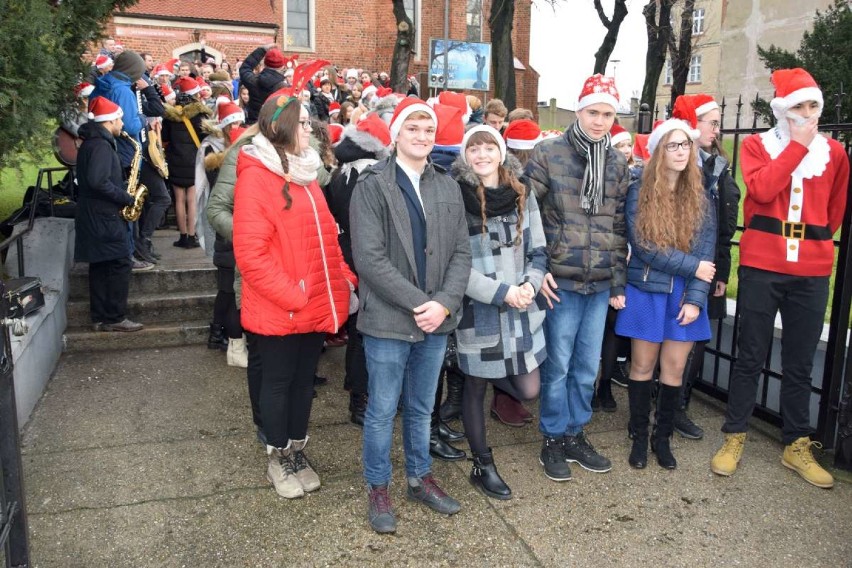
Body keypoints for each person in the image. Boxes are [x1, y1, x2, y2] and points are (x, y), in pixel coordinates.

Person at [711, 68, 849, 489]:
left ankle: (796, 443)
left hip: (810, 270)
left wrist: (815, 245)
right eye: (797, 108)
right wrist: (797, 148)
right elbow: (763, 190)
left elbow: (836, 209)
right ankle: (735, 434)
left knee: (799, 360)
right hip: (762, 265)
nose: (806, 116)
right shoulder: (758, 146)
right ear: (781, 111)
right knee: (750, 354)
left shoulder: (836, 154)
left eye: (813, 107)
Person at [350, 98, 472, 534]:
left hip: (436, 318)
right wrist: (420, 303)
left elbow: (461, 250)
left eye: (428, 129)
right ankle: (378, 486)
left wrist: (443, 302)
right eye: (413, 128)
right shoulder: (373, 184)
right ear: (396, 133)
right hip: (390, 318)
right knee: (382, 409)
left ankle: (420, 478)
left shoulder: (447, 184)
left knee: (423, 408)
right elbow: (368, 257)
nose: (422, 137)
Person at [233, 92, 357, 500]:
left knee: (305, 383)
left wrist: (344, 281)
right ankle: (278, 458)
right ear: (281, 127)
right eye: (304, 123)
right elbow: (251, 254)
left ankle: (297, 451)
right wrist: (295, 294)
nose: (311, 129)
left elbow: (327, 240)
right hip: (282, 307)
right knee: (279, 382)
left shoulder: (306, 175)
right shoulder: (257, 175)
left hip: (313, 303)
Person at [523, 74, 629, 482]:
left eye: (608, 114)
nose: (600, 121)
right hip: (560, 278)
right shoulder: (549, 153)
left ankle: (575, 431)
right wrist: (538, 268)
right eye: (593, 112)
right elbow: (525, 214)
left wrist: (617, 282)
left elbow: (618, 227)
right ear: (579, 110)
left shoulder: (618, 163)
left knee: (588, 365)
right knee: (560, 363)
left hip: (600, 281)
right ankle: (552, 435)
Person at [451, 125, 547, 499]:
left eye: (488, 147)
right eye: (473, 149)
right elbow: (456, 264)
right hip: (480, 311)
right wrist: (501, 293)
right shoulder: (457, 198)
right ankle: (482, 464)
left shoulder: (522, 194)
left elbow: (539, 250)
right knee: (475, 385)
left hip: (521, 308)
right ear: (465, 155)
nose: (482, 155)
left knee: (528, 387)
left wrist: (529, 285)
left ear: (501, 151)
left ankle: (478, 374)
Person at [615, 119, 717, 470]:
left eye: (685, 145)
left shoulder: (701, 197)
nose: (680, 152)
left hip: (685, 296)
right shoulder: (639, 190)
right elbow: (644, 246)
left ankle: (663, 438)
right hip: (647, 290)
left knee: (674, 370)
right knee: (642, 366)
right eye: (672, 145)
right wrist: (694, 269)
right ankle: (640, 436)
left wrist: (695, 298)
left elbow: (707, 254)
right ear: (659, 151)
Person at [671, 93, 741, 440]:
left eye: (717, 122)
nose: (717, 128)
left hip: (710, 265)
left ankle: (679, 403)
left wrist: (722, 272)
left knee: (696, 339)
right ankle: (670, 401)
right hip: (681, 263)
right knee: (674, 337)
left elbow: (724, 228)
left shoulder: (716, 165)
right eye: (711, 122)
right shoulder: (683, 166)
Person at [325, 114, 393, 426]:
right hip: (369, 259)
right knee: (365, 333)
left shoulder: (341, 175)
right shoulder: (372, 178)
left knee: (359, 331)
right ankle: (361, 398)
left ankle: (360, 395)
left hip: (349, 255)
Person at [75, 97, 143, 333]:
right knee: (119, 263)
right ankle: (114, 317)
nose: (122, 124)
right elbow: (98, 181)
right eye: (120, 119)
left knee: (101, 266)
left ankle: (99, 317)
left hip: (93, 215)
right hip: (104, 216)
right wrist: (126, 197)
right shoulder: (101, 146)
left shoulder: (91, 143)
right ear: (111, 120)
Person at [195, 101, 247, 365]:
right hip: (227, 228)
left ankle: (219, 331)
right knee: (227, 290)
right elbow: (218, 195)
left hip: (234, 227)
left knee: (227, 290)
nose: (239, 127)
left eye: (240, 123)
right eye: (234, 124)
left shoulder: (237, 149)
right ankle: (219, 333)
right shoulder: (213, 152)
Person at [163, 76, 211, 248]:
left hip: (175, 159)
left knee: (178, 199)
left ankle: (182, 236)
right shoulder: (200, 114)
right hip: (194, 160)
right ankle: (192, 236)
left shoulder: (170, 115)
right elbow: (206, 138)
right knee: (192, 200)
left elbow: (164, 138)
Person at [239, 45, 289, 124]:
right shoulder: (285, 88)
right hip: (274, 127)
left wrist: (262, 50)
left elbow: (245, 68)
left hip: (254, 124)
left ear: (265, 64)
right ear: (282, 67)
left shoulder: (252, 81)